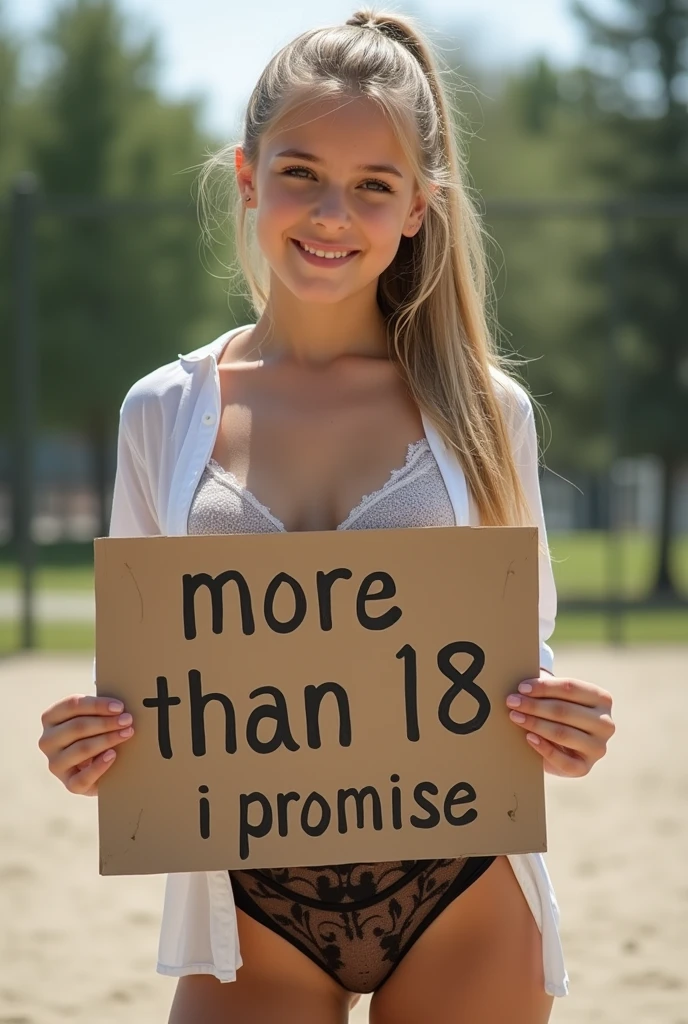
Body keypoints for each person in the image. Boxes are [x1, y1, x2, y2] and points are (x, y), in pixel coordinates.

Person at [37, 8, 616, 1023]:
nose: (330, 213)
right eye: (301, 172)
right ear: (248, 177)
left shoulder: (485, 412)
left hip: (463, 891)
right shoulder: (159, 413)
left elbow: (521, 653)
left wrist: (560, 718)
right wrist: (95, 745)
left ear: (418, 210)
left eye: (373, 185)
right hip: (251, 914)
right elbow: (144, 685)